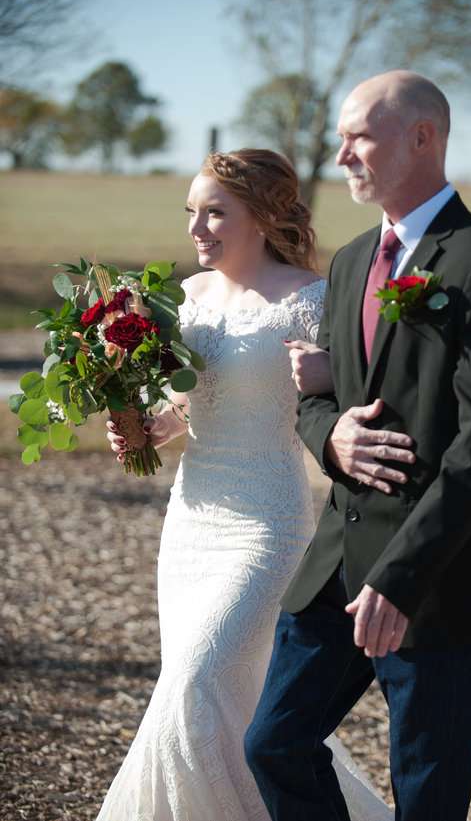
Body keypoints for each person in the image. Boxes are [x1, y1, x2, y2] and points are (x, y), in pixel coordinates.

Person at [245, 71, 471, 821]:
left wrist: (403, 578)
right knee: (273, 744)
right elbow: (317, 394)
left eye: (358, 136)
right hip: (334, 571)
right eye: (341, 138)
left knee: (427, 801)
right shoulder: (347, 264)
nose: (341, 154)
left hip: (434, 580)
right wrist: (331, 435)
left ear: (422, 137)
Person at [98, 148, 406, 820]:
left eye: (215, 212)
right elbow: (190, 404)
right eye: (191, 212)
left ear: (263, 216)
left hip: (267, 525)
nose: (197, 227)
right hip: (191, 522)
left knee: (196, 680)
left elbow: (350, 398)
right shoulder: (186, 297)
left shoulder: (311, 300)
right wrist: (145, 428)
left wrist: (335, 381)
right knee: (223, 697)